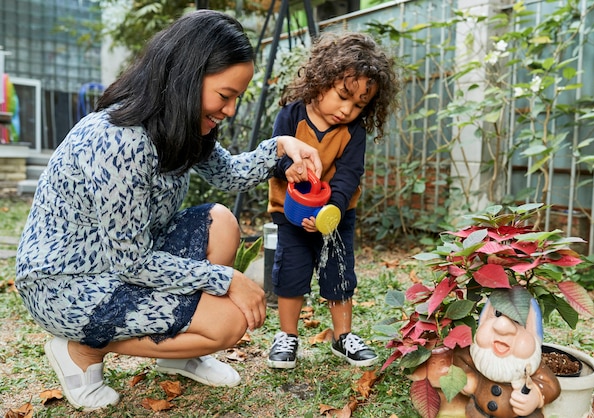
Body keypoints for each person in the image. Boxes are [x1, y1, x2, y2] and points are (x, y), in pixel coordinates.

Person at [14, 10, 322, 411]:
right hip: (66, 283)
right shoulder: (121, 142)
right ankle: (81, 352)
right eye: (224, 96)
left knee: (221, 222)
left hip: (118, 263)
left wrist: (282, 147)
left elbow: (228, 174)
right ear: (187, 77)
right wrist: (226, 278)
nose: (229, 110)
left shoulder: (179, 125)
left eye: (236, 99)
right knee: (227, 323)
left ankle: (176, 355)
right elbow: (131, 262)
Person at [265, 31, 400, 369]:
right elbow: (273, 154)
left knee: (338, 274)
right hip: (291, 214)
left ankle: (343, 337)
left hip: (336, 216)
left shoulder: (353, 132)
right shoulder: (292, 115)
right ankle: (287, 336)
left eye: (359, 105)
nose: (347, 109)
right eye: (343, 95)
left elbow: (349, 174)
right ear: (320, 80)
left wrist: (333, 211)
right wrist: (287, 168)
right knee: (292, 273)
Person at [454, 294, 561, 417]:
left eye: (518, 320)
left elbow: (551, 386)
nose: (502, 327)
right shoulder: (475, 356)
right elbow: (460, 358)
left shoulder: (531, 366)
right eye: (497, 314)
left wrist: (535, 397)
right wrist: (468, 377)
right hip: (478, 413)